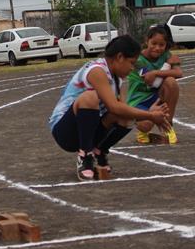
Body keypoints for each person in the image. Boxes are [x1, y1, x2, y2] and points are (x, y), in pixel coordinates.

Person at [48, 35, 170, 181]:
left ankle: (99, 151)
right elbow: (113, 107)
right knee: (90, 98)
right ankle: (85, 155)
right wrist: (149, 115)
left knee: (126, 114)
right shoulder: (97, 71)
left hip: (88, 131)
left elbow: (124, 112)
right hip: (65, 132)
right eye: (131, 63)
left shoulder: (115, 78)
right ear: (119, 57)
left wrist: (149, 115)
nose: (132, 68)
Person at [126, 25, 182, 144]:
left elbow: (178, 73)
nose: (157, 48)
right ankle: (143, 131)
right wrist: (166, 65)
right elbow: (152, 83)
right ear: (147, 41)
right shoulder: (138, 60)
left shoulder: (166, 54)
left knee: (171, 82)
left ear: (166, 45)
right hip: (139, 99)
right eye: (154, 43)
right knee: (146, 125)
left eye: (161, 45)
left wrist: (156, 72)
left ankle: (168, 124)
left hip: (156, 97)